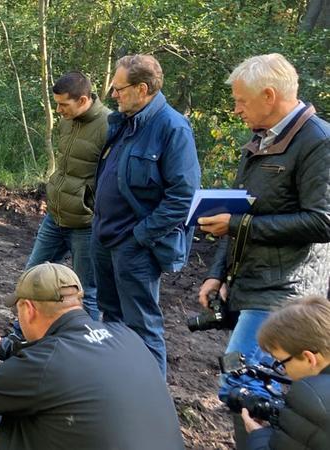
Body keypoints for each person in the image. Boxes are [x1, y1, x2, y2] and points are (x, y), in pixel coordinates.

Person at [196, 53, 330, 448]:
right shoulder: (261, 140)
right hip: (251, 281)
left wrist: (237, 225)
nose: (235, 109)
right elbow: (239, 209)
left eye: (241, 100)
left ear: (269, 95)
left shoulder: (318, 142)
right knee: (246, 390)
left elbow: (323, 221)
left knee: (244, 389)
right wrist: (217, 272)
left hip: (285, 290)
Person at [0, 263, 183, 450]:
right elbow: (71, 355)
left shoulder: (44, 364)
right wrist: (2, 346)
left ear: (28, 309)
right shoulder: (124, 334)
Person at [91, 54, 200, 377]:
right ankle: (117, 390)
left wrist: (140, 237)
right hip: (105, 237)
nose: (113, 94)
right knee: (110, 319)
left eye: (119, 88)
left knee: (142, 326)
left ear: (142, 89)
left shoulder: (172, 128)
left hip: (135, 246)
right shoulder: (123, 122)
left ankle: (152, 406)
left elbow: (183, 197)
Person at [25, 71, 110, 319]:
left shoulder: (109, 126)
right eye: (57, 104)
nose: (59, 110)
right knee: (32, 278)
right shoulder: (67, 121)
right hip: (55, 217)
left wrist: (92, 208)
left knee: (86, 293)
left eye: (64, 104)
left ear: (83, 100)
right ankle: (23, 338)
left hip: (85, 225)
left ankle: (88, 350)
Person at [241, 296, 330, 450]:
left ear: (309, 359)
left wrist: (258, 435)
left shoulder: (311, 395)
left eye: (281, 362)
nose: (283, 370)